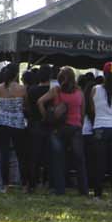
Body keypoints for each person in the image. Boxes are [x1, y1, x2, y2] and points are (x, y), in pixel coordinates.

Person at [38, 66, 86, 196]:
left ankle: (59, 189)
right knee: (79, 160)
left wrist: (47, 117)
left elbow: (40, 102)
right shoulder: (79, 92)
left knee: (58, 160)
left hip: (58, 128)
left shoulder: (56, 91)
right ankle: (83, 189)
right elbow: (82, 113)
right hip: (75, 128)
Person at [85, 62, 112, 199]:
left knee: (99, 163)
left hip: (100, 127)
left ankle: (97, 194)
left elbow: (92, 110)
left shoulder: (94, 89)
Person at [0, 64, 26, 192]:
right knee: (20, 154)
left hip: (1, 121)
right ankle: (24, 184)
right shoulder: (22, 89)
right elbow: (25, 105)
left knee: (3, 154)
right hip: (17, 123)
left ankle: (4, 184)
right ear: (16, 74)